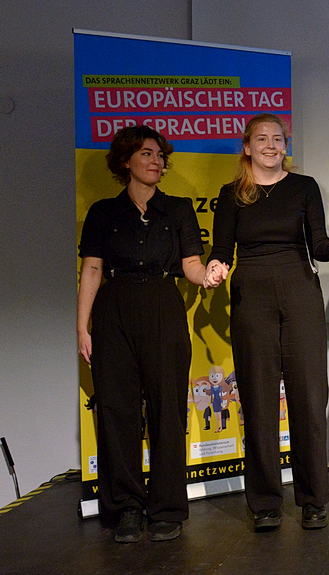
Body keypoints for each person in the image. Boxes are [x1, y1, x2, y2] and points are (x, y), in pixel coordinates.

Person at [206, 113, 329, 531]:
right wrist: (216, 266)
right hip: (251, 295)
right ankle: (265, 502)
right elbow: (222, 248)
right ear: (247, 147)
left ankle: (313, 499)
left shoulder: (304, 187)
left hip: (299, 290)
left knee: (308, 396)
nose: (271, 145)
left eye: (278, 138)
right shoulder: (232, 194)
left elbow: (318, 244)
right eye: (262, 139)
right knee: (258, 399)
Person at [77, 125, 218, 543]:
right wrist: (82, 326)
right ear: (126, 162)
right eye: (146, 154)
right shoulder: (103, 212)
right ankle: (126, 508)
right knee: (117, 410)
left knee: (167, 409)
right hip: (114, 310)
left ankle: (167, 508)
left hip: (162, 306)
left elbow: (191, 265)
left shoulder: (177, 210)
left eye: (160, 155)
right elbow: (92, 269)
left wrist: (208, 276)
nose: (156, 161)